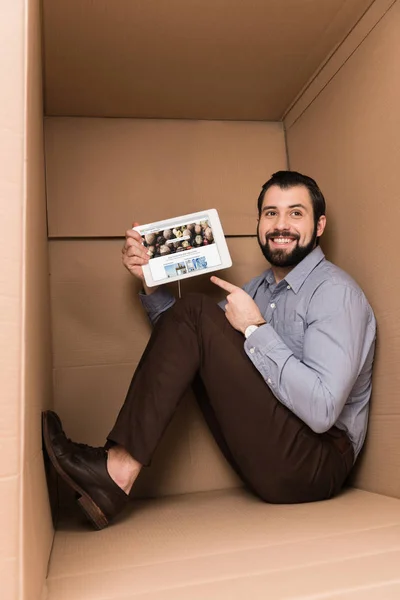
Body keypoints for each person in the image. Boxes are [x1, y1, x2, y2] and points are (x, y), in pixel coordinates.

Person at [43, 170, 376, 530]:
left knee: (197, 310)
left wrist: (254, 328)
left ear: (320, 225)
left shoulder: (336, 293)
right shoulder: (258, 289)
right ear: (259, 223)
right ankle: (114, 470)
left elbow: (324, 410)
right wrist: (151, 282)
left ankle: (116, 472)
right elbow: (187, 344)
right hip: (268, 453)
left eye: (296, 213)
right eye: (270, 213)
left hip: (316, 464)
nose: (281, 225)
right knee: (194, 315)